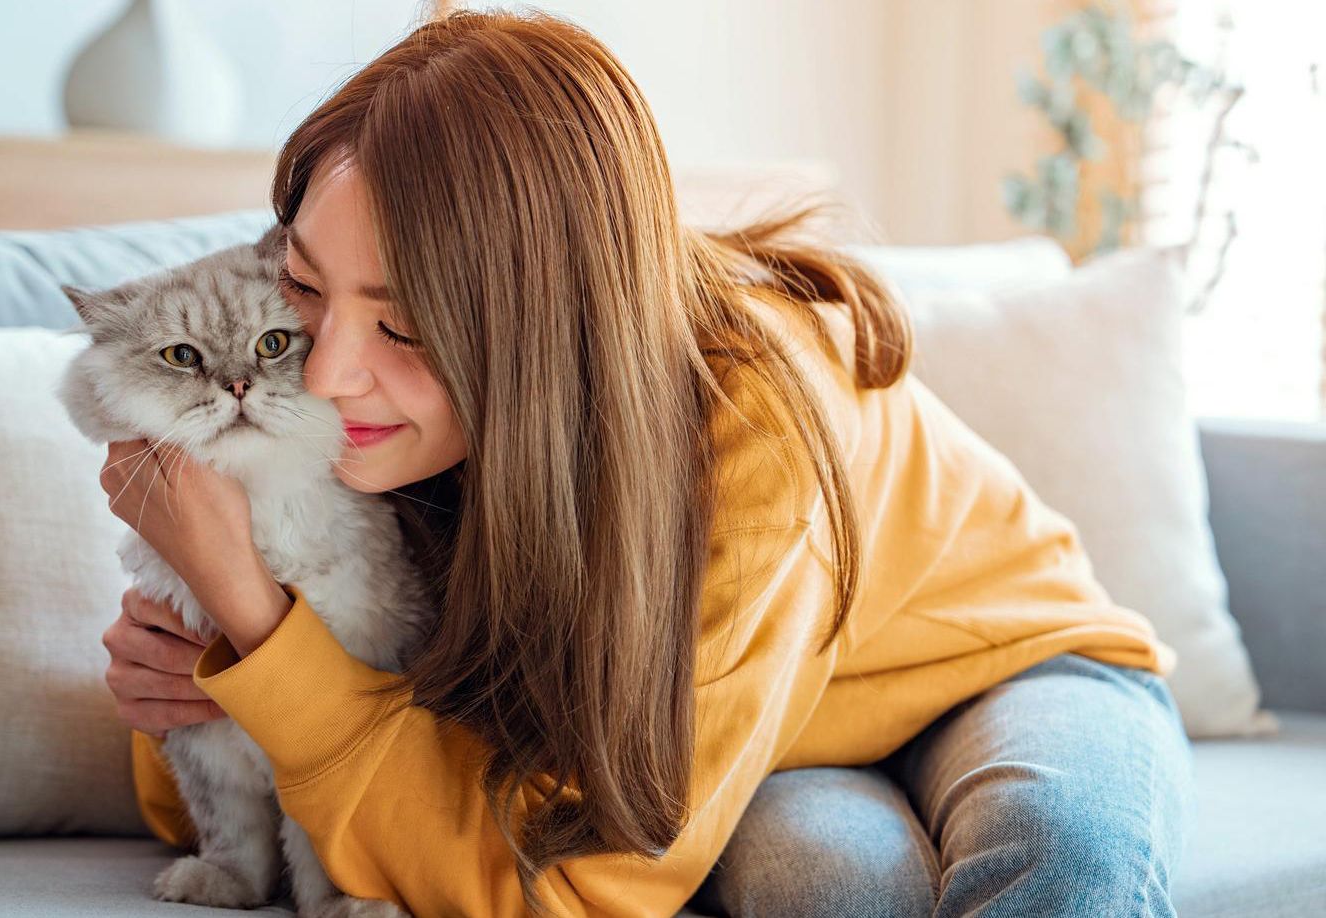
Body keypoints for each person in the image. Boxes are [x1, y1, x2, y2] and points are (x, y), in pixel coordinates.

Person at [95, 10, 1194, 918]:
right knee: (834, 887)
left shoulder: (759, 421)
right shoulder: (365, 423)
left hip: (1008, 667)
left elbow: (584, 893)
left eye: (406, 321)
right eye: (304, 284)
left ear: (546, 323)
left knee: (1063, 855)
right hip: (777, 730)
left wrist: (261, 630)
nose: (331, 372)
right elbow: (250, 810)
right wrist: (207, 660)